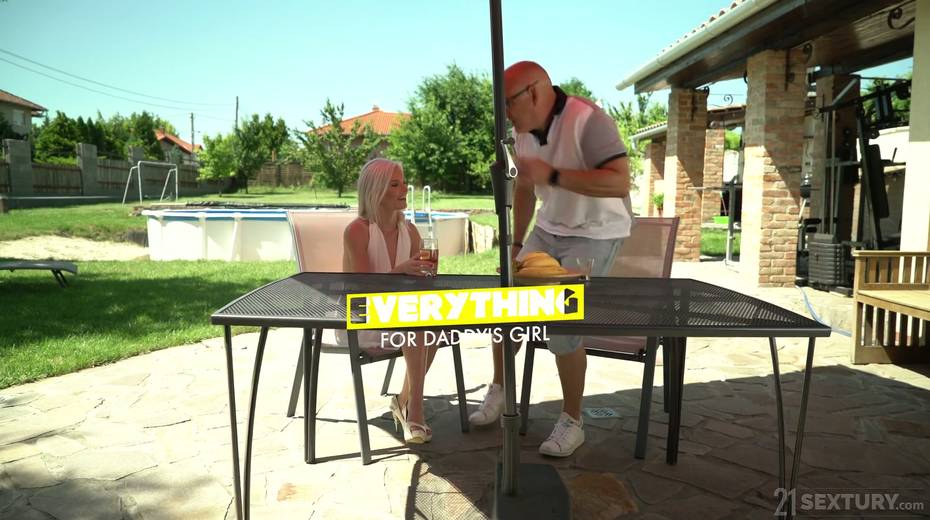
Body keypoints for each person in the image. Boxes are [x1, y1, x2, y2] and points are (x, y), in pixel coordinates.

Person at [469, 61, 633, 458]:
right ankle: (500, 388)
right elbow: (525, 187)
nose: (505, 114)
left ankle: (572, 421)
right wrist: (515, 244)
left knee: (562, 321)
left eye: (508, 103)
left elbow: (619, 181)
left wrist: (555, 175)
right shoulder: (521, 131)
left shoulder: (589, 121)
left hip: (595, 233)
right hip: (548, 227)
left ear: (534, 93)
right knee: (504, 301)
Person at [340, 158, 438, 444]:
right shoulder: (357, 231)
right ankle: (415, 409)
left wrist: (425, 274)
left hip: (401, 316)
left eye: (403, 182)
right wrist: (400, 270)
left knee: (436, 325)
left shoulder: (410, 231)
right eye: (395, 184)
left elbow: (419, 283)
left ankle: (404, 400)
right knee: (416, 324)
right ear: (376, 191)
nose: (404, 189)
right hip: (362, 318)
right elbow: (362, 289)